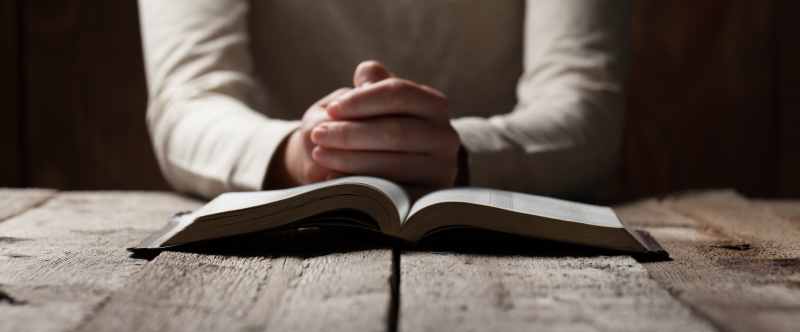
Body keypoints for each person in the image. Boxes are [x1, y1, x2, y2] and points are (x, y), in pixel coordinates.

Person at [138, 0, 630, 200]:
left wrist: (459, 152)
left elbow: (584, 108)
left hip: (515, 244)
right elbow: (188, 101)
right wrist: (300, 152)